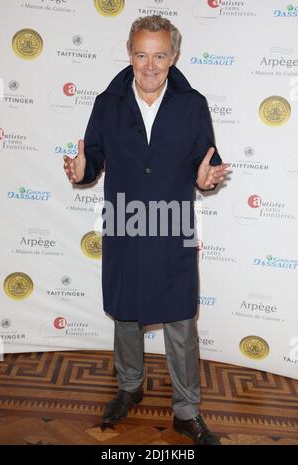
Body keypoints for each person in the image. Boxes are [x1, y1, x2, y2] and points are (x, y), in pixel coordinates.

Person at [64, 15, 229, 445]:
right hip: (125, 222)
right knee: (125, 313)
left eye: (159, 55)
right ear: (129, 52)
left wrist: (206, 178)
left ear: (173, 56)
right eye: (142, 54)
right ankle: (130, 386)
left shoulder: (193, 105)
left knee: (179, 320)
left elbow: (205, 160)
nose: (150, 65)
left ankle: (187, 411)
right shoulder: (107, 102)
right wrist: (83, 171)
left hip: (173, 224)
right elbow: (92, 157)